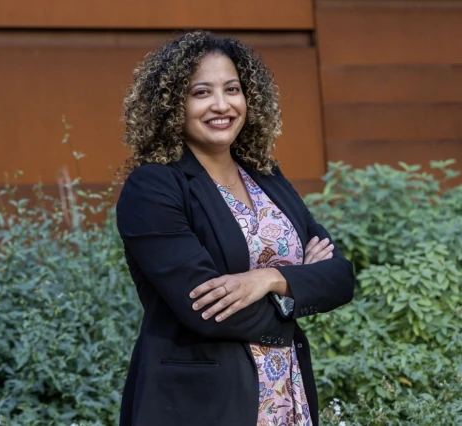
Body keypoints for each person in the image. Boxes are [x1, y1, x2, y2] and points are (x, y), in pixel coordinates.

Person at [116, 30, 355, 426]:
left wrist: (270, 279)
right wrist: (300, 288)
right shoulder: (154, 187)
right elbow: (209, 311)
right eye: (201, 93)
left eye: (232, 89)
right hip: (205, 404)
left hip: (286, 392)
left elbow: (340, 277)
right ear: (172, 104)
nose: (222, 105)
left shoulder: (265, 175)